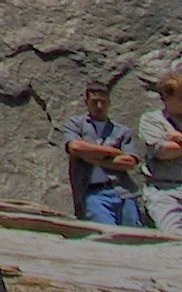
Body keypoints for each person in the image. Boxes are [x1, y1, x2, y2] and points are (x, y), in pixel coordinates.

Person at [61, 82, 142, 225]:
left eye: (103, 102)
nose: (99, 106)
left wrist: (95, 159)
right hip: (92, 192)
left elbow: (130, 162)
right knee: (105, 232)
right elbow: (75, 147)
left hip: (123, 191)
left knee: (134, 235)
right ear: (86, 102)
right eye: (94, 102)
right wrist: (112, 152)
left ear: (109, 103)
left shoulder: (121, 131)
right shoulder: (76, 124)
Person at [138, 67, 182, 236]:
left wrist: (178, 138)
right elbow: (162, 151)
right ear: (166, 97)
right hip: (165, 190)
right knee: (173, 237)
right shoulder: (152, 120)